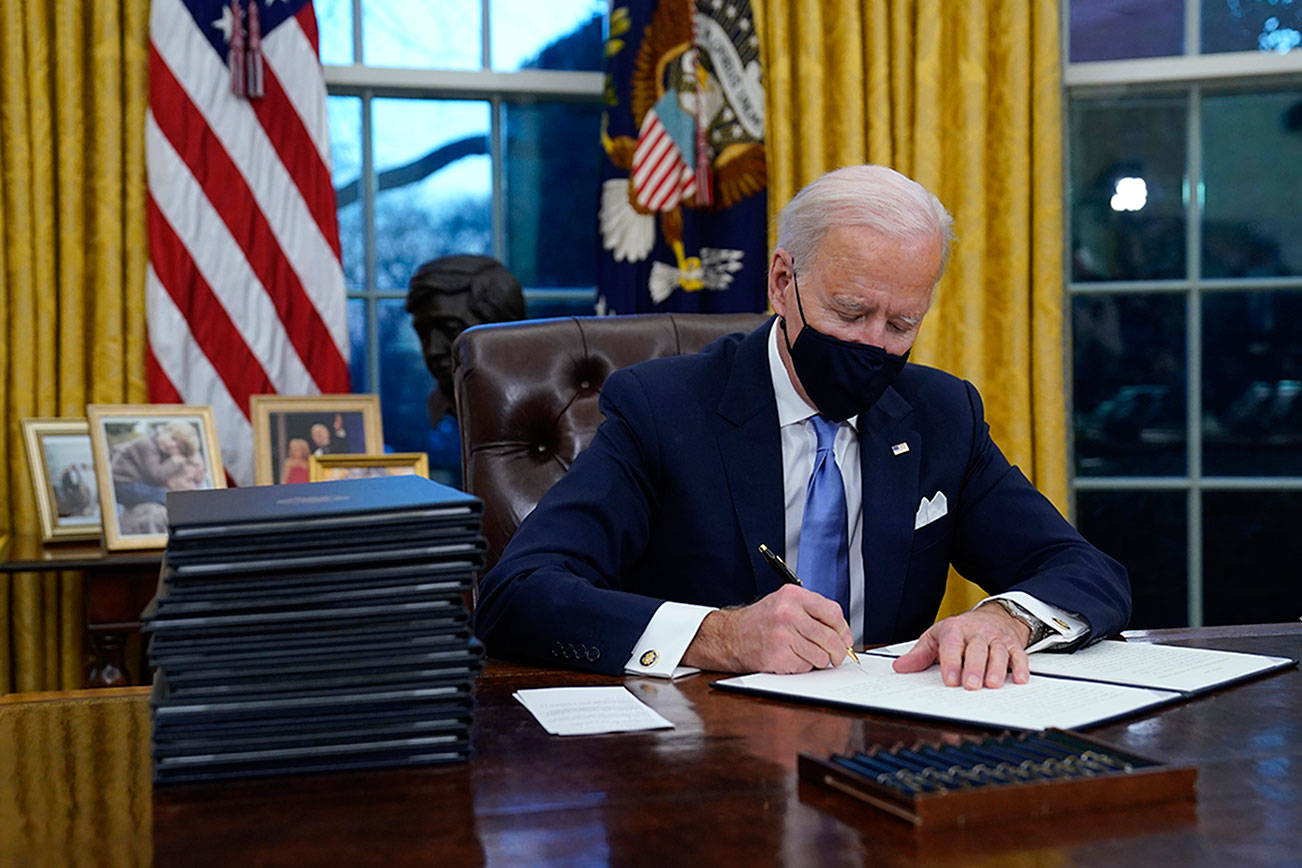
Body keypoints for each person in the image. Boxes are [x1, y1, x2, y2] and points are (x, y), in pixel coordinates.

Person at [474, 164, 1131, 690]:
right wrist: (718, 636)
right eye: (851, 313)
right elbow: (518, 594)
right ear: (783, 281)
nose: (874, 344)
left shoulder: (940, 415)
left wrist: (1006, 618)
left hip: (885, 750)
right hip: (703, 760)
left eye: (901, 324)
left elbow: (1085, 570)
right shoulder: (664, 410)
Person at [405, 255, 526, 486]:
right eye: (423, 333)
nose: (432, 350)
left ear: (501, 332)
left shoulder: (550, 414)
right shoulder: (414, 425)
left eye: (450, 330)